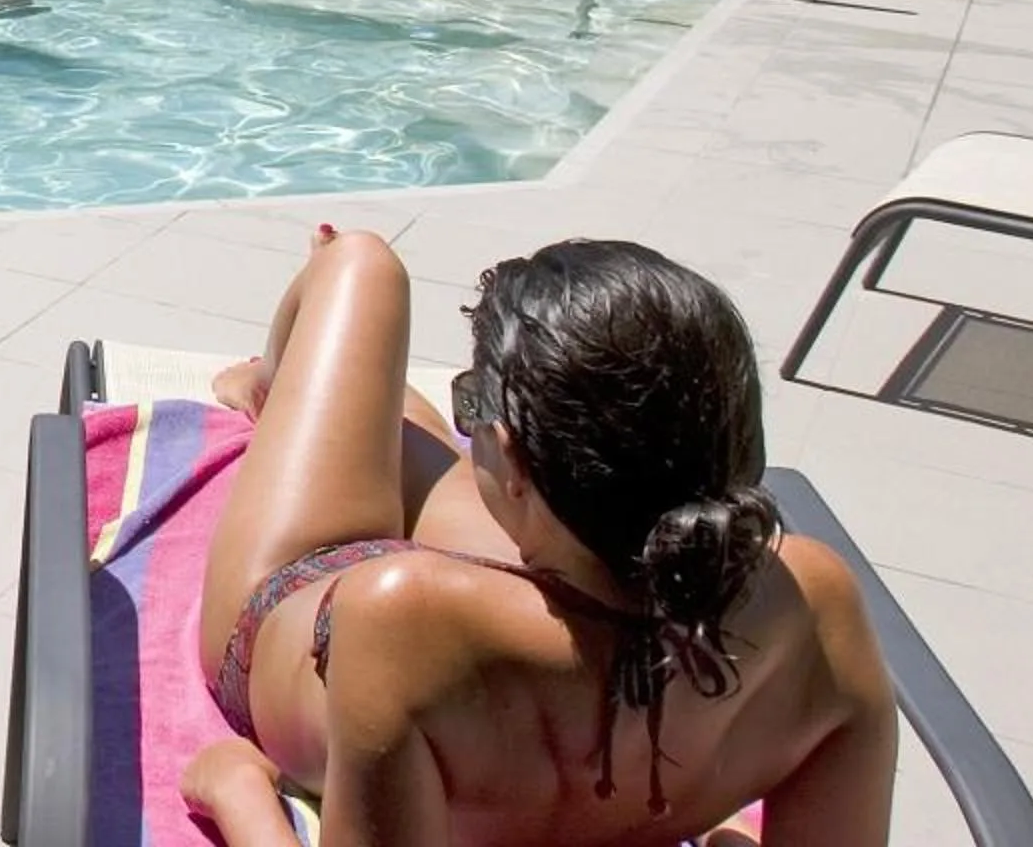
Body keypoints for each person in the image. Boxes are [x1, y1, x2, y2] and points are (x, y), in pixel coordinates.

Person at [184, 228, 895, 847]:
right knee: (392, 421)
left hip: (302, 596)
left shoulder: (397, 616)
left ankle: (275, 383)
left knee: (361, 267)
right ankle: (383, 410)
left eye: (480, 417)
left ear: (513, 461)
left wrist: (236, 790)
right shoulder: (816, 605)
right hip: (573, 570)